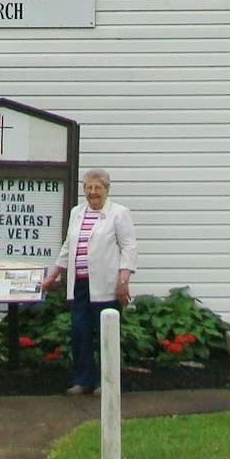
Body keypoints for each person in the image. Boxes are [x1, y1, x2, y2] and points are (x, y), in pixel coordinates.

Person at [42, 167, 137, 396]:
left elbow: (129, 247)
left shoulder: (119, 213)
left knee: (106, 334)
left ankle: (106, 383)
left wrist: (123, 280)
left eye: (98, 188)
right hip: (81, 285)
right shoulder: (77, 212)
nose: (93, 192)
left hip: (106, 285)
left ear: (106, 190)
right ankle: (83, 380)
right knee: (80, 332)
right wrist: (53, 276)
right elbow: (68, 247)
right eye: (89, 188)